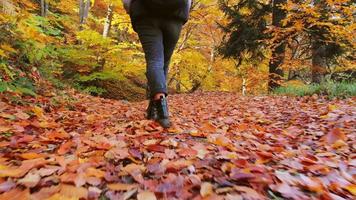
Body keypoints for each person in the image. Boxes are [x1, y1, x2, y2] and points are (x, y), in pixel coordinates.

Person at [122, 0, 192, 128]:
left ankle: (161, 112)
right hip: (175, 17)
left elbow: (127, 2)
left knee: (155, 60)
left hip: (145, 15)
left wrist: (130, 9)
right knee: (164, 63)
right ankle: (154, 110)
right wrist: (183, 14)